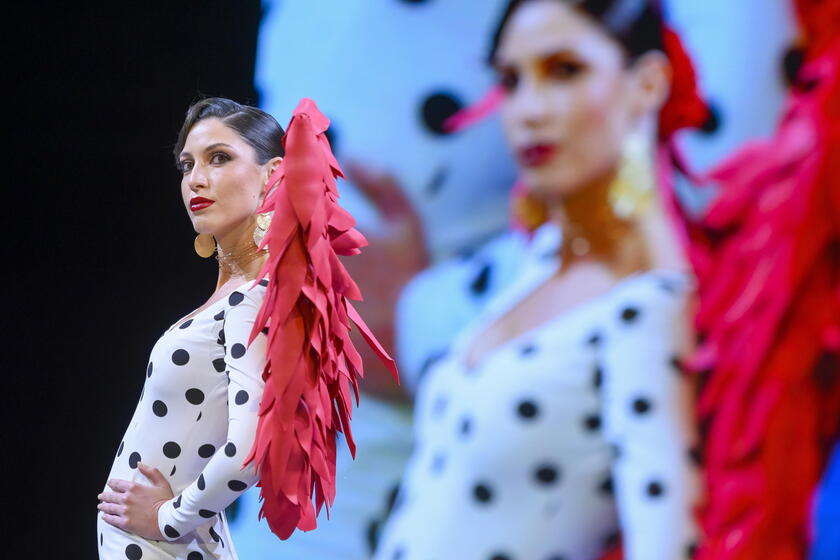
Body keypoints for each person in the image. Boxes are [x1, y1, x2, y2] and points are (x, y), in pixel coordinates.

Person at [374, 1, 705, 559]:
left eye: (564, 70)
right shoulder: (541, 260)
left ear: (647, 84)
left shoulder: (651, 304)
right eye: (510, 81)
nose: (527, 110)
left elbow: (666, 537)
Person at [96, 97, 394, 559]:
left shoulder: (254, 297)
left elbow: (250, 448)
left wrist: (166, 518)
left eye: (219, 158)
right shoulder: (237, 293)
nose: (195, 178)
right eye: (186, 164)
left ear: (274, 173)